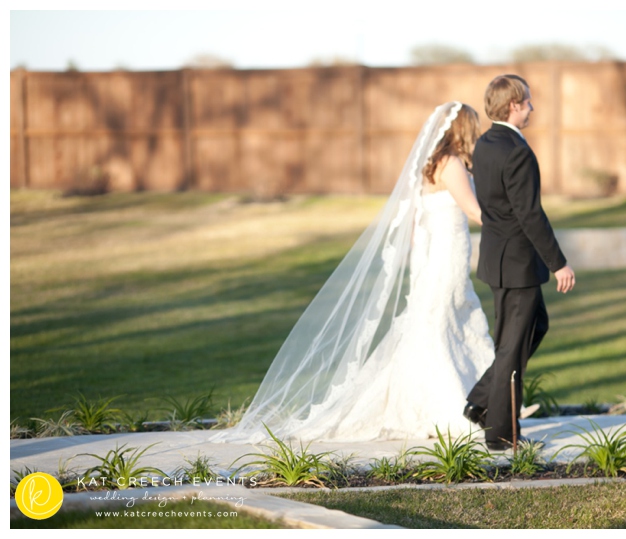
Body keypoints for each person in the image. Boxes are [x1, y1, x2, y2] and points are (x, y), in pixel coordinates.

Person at [211, 102, 495, 443]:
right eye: (473, 126)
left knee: (435, 319)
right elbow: (473, 210)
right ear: (462, 128)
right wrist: (511, 222)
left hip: (437, 250)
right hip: (448, 249)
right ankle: (447, 404)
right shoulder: (452, 164)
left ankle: (451, 398)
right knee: (440, 321)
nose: (477, 133)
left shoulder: (432, 164)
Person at [463, 74, 575, 451]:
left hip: (498, 260)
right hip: (516, 263)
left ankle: (482, 400)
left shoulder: (484, 144)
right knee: (512, 346)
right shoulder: (516, 151)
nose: (531, 107)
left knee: (533, 327)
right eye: (527, 102)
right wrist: (558, 263)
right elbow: (530, 214)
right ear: (513, 105)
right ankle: (500, 434)